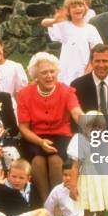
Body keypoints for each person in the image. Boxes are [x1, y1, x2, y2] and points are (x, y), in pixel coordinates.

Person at [17, 52, 84, 200]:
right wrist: (40, 142)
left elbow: (76, 112)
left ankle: (59, 203)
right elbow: (23, 128)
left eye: (52, 71)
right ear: (36, 75)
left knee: (56, 160)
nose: (49, 76)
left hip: (61, 135)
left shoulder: (66, 91)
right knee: (37, 161)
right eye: (44, 72)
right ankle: (46, 202)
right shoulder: (24, 94)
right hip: (35, 137)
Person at [41, 0, 103, 85]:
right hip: (66, 70)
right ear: (68, 10)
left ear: (85, 8)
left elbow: (98, 51)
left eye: (80, 5)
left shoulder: (90, 29)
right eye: (74, 6)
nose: (78, 8)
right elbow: (44, 23)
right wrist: (55, 20)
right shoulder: (64, 26)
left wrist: (89, 69)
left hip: (84, 70)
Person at [70, 44, 108, 118]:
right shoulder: (77, 85)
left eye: (105, 61)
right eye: (97, 61)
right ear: (91, 63)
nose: (101, 65)